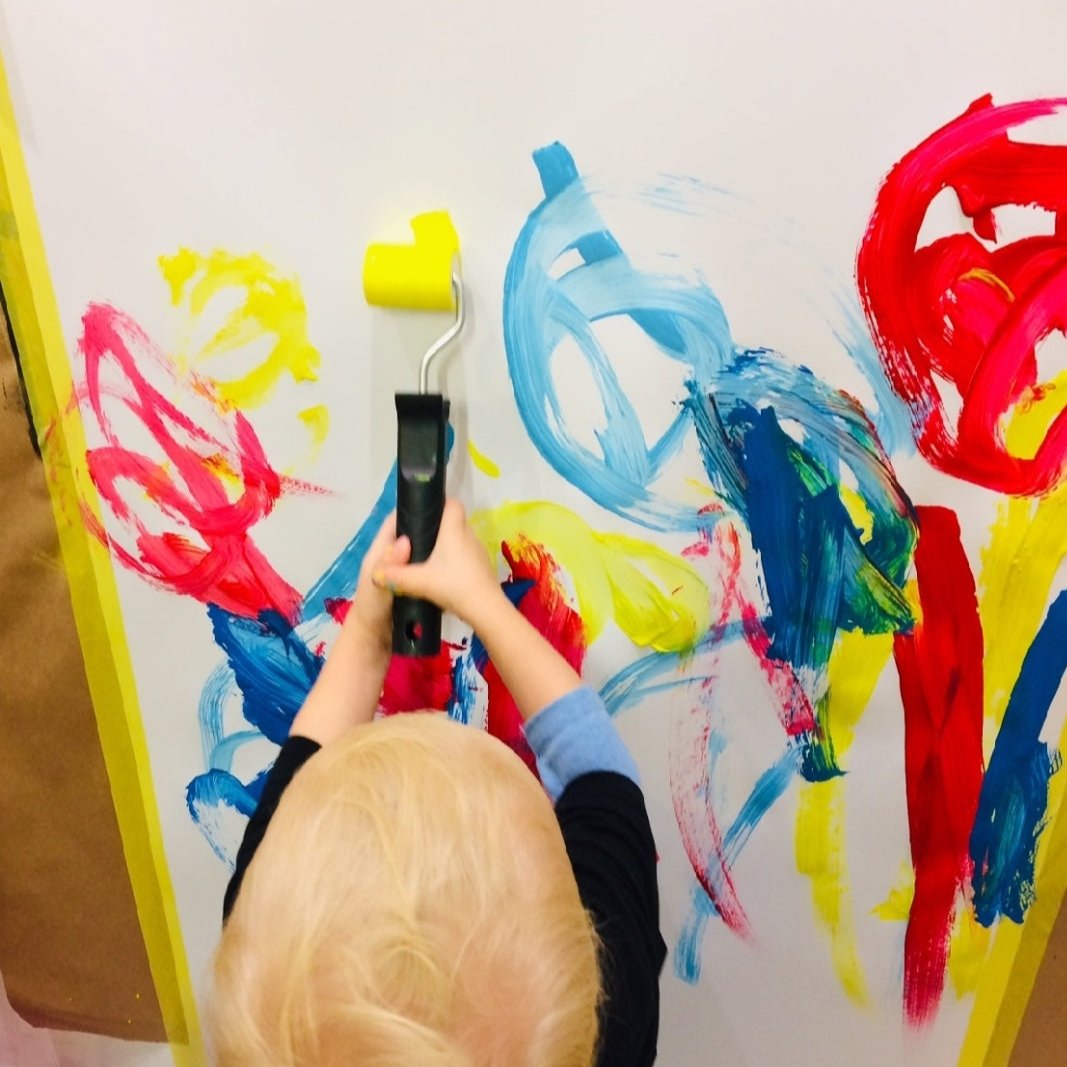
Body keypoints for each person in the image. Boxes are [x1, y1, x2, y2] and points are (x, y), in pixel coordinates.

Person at [209, 500, 666, 1066]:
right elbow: (602, 781)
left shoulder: (268, 954)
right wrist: (484, 603)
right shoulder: (611, 1018)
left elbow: (302, 765)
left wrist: (367, 637)